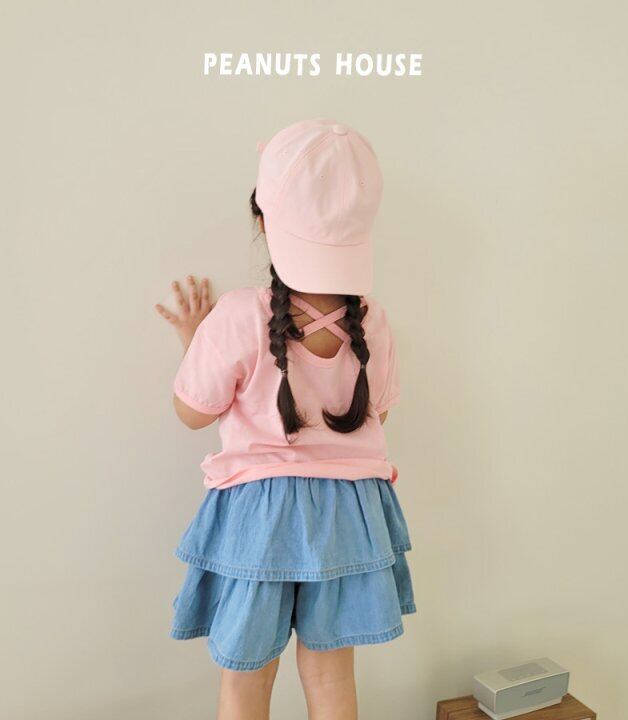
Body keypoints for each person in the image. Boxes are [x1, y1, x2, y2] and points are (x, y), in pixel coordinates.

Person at [155, 119, 415, 720]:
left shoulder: (238, 315)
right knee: (331, 677)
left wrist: (197, 342)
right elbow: (378, 411)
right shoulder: (372, 319)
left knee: (246, 678)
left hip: (262, 513)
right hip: (352, 512)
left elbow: (192, 412)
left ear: (264, 222)